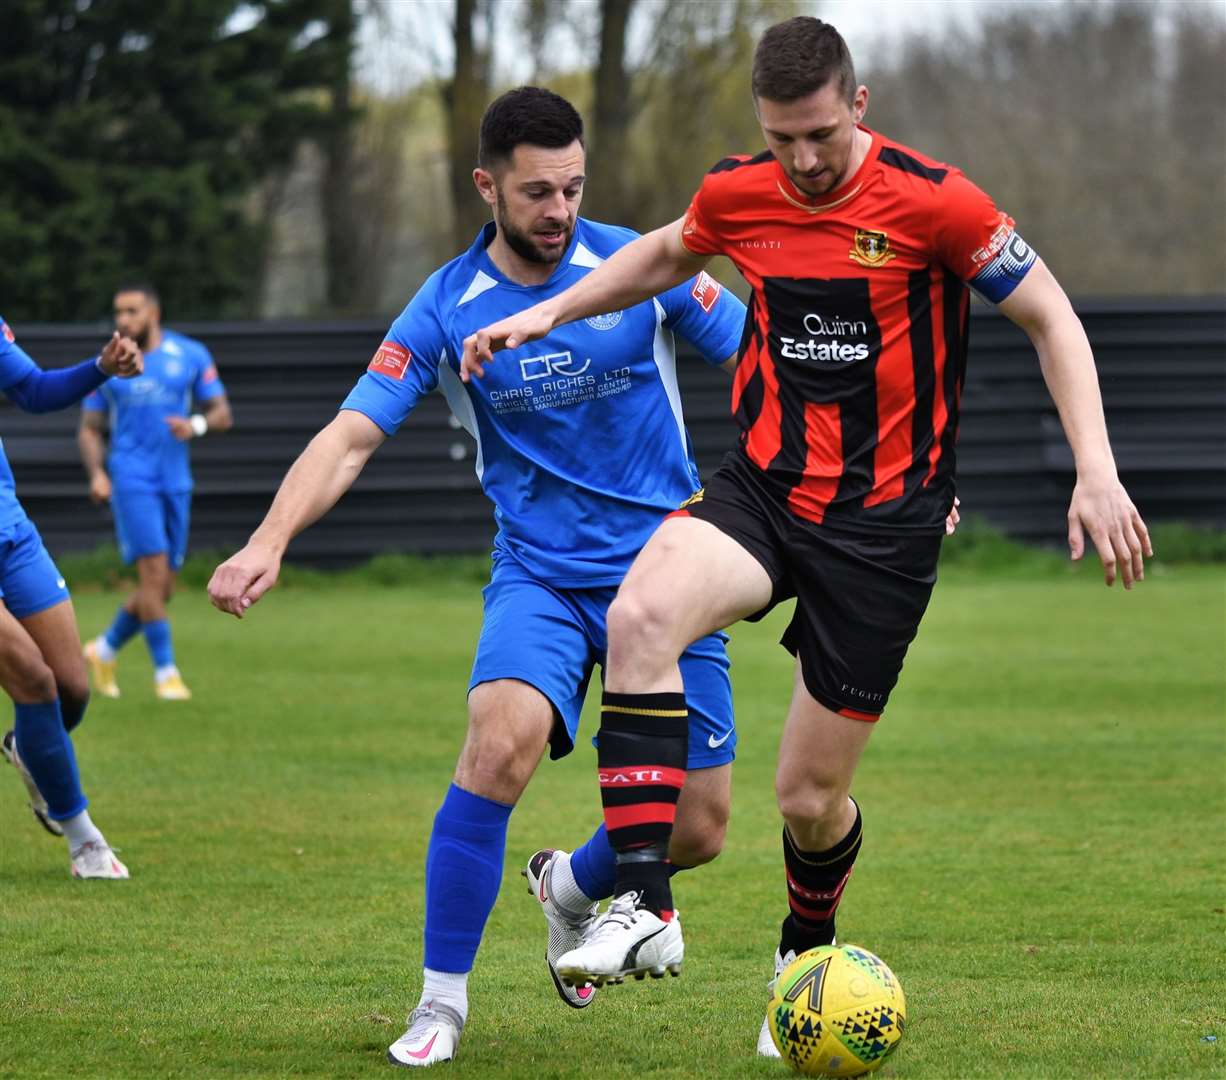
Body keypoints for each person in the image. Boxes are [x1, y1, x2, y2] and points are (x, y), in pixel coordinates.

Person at [461, 16, 1152, 1057]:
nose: (802, 159)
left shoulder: (937, 202)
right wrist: (545, 316)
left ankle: (800, 956)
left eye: (820, 134)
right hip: (767, 492)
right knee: (642, 609)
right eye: (781, 137)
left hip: (883, 529)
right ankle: (641, 903)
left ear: (857, 106)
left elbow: (1052, 316)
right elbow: (658, 254)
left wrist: (1094, 470)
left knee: (806, 797)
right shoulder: (741, 190)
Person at [207, 87, 750, 1069]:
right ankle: (439, 1005)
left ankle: (570, 886)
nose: (559, 209)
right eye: (537, 191)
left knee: (700, 829)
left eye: (573, 188)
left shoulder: (640, 266)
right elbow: (350, 437)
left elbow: (763, 357)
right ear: (485, 186)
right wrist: (268, 539)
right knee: (496, 743)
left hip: (671, 580)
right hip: (538, 578)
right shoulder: (445, 306)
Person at [0, 314, 142, 879]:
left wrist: (101, 368)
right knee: (33, 681)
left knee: (71, 687)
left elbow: (33, 389)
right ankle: (85, 843)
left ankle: (28, 749)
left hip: (12, 534)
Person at [78, 283, 232, 701]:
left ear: (153, 312)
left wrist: (195, 425)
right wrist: (97, 473)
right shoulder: (109, 365)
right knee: (152, 577)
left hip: (175, 480)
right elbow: (90, 429)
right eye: (118, 312)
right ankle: (166, 673)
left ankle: (102, 648)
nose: (123, 320)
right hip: (131, 479)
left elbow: (221, 413)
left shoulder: (191, 355)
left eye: (131, 311)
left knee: (161, 588)